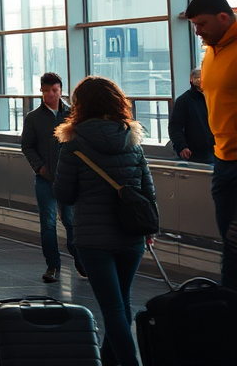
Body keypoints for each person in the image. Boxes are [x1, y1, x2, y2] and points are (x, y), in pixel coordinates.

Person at [54, 76, 156, 366]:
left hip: (93, 238)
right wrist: (151, 229)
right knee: (122, 303)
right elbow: (147, 189)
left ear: (80, 106)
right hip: (132, 235)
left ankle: (130, 363)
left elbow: (64, 193)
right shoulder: (132, 139)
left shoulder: (73, 143)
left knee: (112, 308)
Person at [185, 0, 237, 289]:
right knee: (230, 245)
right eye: (193, 25)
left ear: (223, 17)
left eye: (202, 24)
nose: (196, 31)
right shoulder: (210, 52)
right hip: (223, 161)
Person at [21, 72, 85, 283]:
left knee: (70, 221)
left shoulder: (72, 115)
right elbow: (27, 146)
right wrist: (40, 168)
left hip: (68, 178)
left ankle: (80, 260)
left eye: (55, 91)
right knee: (48, 223)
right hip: (45, 178)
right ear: (41, 91)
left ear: (61, 90)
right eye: (47, 91)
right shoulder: (33, 118)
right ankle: (53, 266)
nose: (51, 95)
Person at [169, 68, 213, 164]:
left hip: (215, 151)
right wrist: (182, 146)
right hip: (195, 153)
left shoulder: (212, 98)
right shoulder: (184, 101)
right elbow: (175, 127)